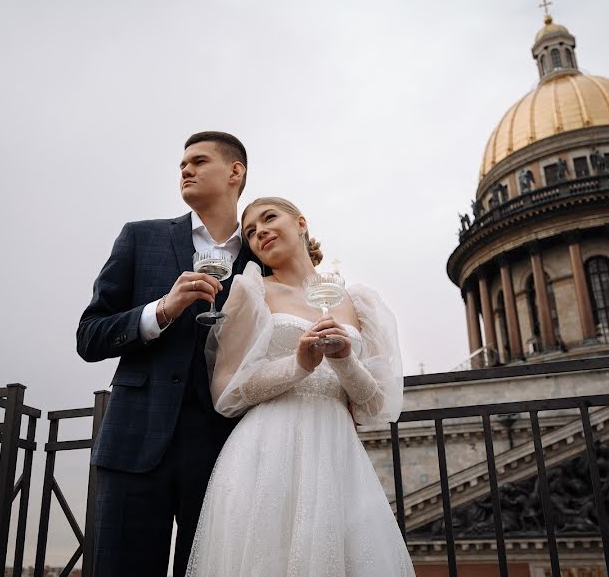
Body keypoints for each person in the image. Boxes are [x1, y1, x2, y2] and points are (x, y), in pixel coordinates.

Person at [186, 197, 415, 576]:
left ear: (302, 223)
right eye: (250, 231)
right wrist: (297, 366)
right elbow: (225, 394)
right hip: (267, 450)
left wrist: (345, 360)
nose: (260, 231)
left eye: (269, 218)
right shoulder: (253, 291)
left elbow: (375, 406)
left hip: (338, 452)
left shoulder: (355, 301)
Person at [76, 131, 256, 576]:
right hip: (134, 444)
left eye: (198, 161)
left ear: (235, 172)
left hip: (226, 451)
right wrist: (161, 310)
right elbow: (89, 336)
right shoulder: (142, 238)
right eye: (181, 165)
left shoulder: (263, 254)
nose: (185, 170)